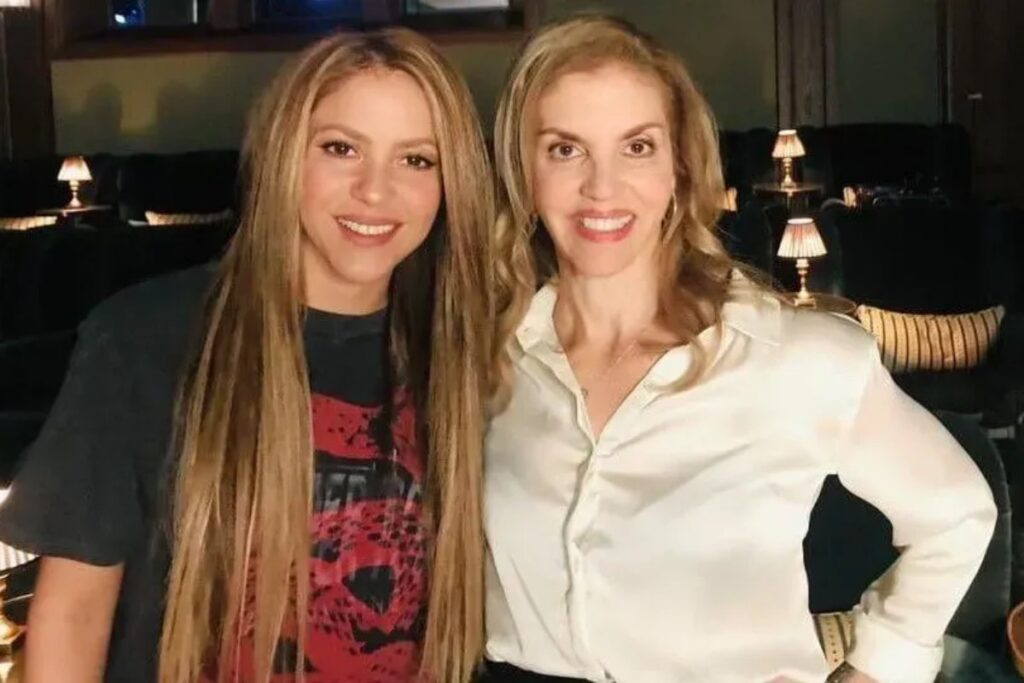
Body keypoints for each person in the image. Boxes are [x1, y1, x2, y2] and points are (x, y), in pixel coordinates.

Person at [483, 15, 996, 683]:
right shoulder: (487, 356)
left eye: (637, 146)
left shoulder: (798, 358)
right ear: (523, 171)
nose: (601, 186)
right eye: (564, 149)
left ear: (679, 166)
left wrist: (877, 666)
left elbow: (957, 515)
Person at [0, 28, 491, 683]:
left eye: (417, 159)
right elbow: (73, 613)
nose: (376, 191)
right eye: (341, 148)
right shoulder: (143, 339)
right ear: (285, 154)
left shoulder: (466, 351)